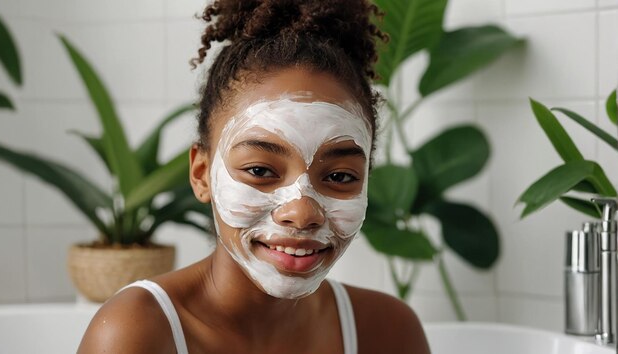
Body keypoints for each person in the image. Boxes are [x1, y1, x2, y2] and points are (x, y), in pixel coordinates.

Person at [78, 0, 430, 353]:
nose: (303, 213)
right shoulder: (136, 334)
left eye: (339, 177)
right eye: (260, 171)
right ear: (201, 174)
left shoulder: (387, 331)